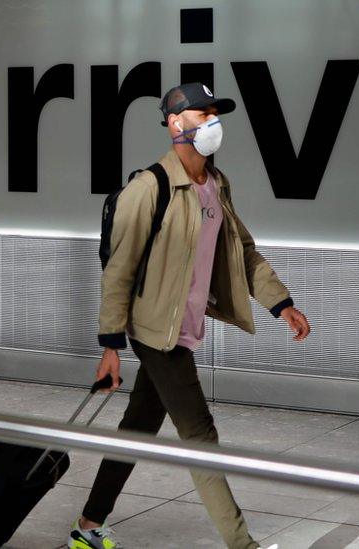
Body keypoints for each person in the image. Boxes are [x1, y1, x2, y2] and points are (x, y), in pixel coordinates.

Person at [68, 83, 311, 549]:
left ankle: (87, 525)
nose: (212, 122)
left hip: (184, 325)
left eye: (215, 114)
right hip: (156, 331)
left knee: (139, 426)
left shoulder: (216, 184)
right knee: (199, 434)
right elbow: (118, 272)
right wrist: (111, 347)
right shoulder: (150, 187)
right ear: (175, 123)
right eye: (202, 114)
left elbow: (242, 251)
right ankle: (243, 546)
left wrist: (281, 304)